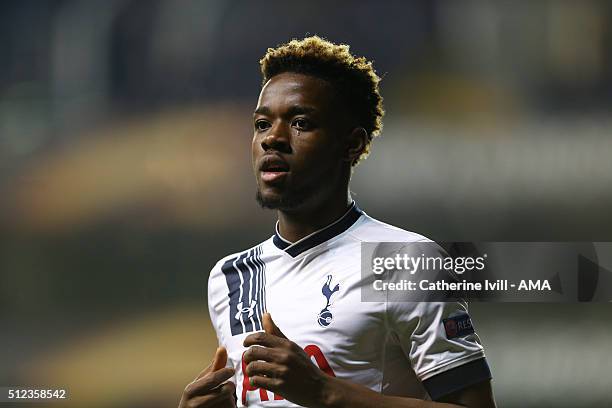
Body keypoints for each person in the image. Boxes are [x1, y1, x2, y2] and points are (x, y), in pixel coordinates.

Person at [179, 36, 496, 408]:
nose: (273, 139)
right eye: (262, 124)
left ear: (353, 144)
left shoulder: (403, 259)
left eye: (300, 122)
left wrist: (325, 392)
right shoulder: (229, 277)